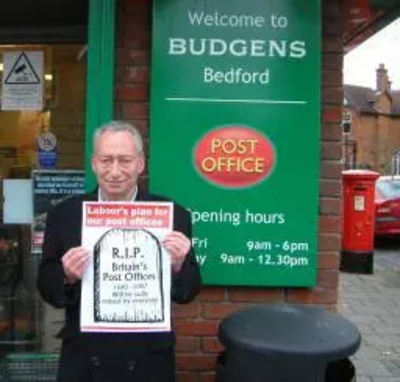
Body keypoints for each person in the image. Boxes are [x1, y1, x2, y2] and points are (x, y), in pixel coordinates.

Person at [37, 121, 201, 382]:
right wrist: (66, 275)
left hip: (148, 356)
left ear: (140, 164)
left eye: (124, 160)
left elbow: (188, 293)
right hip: (85, 356)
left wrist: (179, 264)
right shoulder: (65, 214)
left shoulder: (171, 215)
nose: (115, 171)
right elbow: (46, 288)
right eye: (106, 160)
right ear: (94, 163)